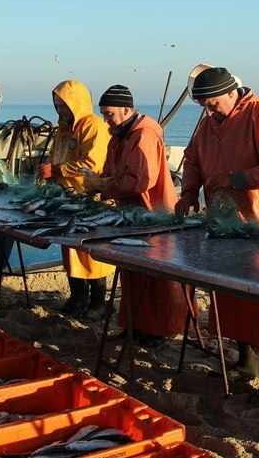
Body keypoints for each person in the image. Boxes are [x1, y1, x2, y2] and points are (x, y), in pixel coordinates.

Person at [173, 67, 259, 405]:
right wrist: (188, 194)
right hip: (224, 224)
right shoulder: (206, 122)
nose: (209, 112)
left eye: (213, 105)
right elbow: (193, 161)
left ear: (232, 93)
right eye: (204, 106)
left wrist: (236, 179)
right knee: (231, 296)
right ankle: (246, 363)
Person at [87, 84, 195, 348]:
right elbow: (113, 172)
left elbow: (140, 180)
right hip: (130, 214)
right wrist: (98, 180)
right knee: (132, 275)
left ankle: (157, 331)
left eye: (109, 114)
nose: (105, 119)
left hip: (152, 213)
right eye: (102, 113)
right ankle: (134, 326)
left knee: (155, 278)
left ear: (126, 110)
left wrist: (103, 186)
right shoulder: (118, 135)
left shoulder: (144, 135)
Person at [40, 80, 114, 321]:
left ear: (77, 103)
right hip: (67, 199)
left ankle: (98, 303)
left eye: (64, 105)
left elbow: (93, 163)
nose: (61, 109)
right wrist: (48, 173)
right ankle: (77, 298)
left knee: (92, 252)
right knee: (70, 251)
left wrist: (58, 170)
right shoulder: (62, 129)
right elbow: (54, 158)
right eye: (57, 105)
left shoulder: (93, 126)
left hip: (90, 199)